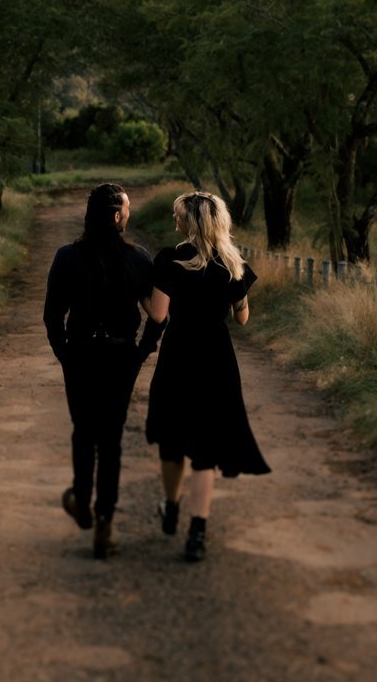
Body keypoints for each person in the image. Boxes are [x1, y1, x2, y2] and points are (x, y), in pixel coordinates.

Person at [144, 190, 270, 562]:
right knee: (205, 450)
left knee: (173, 437)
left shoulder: (170, 259)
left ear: (189, 222)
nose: (174, 220)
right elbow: (242, 318)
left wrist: (142, 296)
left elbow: (157, 315)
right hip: (217, 358)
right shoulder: (232, 264)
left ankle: (171, 507)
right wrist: (238, 296)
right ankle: (197, 531)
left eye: (177, 215)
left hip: (180, 354)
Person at [42, 182, 164, 559]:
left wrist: (64, 354)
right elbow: (158, 313)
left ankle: (81, 500)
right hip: (120, 357)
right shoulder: (138, 258)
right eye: (126, 209)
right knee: (110, 439)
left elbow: (51, 315)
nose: (129, 214)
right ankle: (104, 523)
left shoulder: (66, 257)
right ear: (115, 216)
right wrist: (142, 350)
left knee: (83, 430)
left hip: (80, 354)